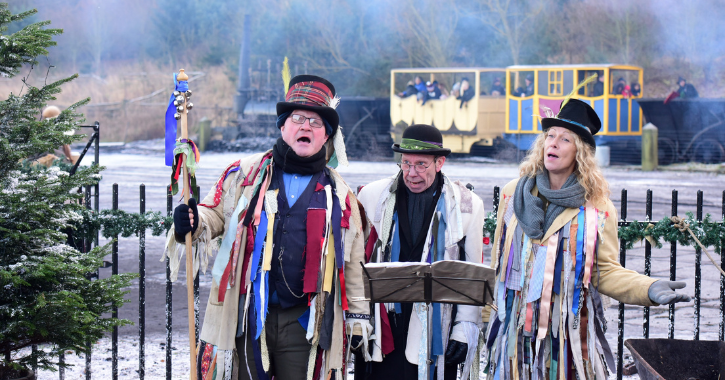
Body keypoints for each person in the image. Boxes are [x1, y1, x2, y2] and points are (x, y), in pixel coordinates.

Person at [168, 75, 371, 380]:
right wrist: (194, 221)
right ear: (282, 126)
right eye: (298, 118)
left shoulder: (340, 196)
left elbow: (352, 264)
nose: (306, 126)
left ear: (326, 135)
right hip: (248, 316)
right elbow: (213, 214)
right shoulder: (246, 175)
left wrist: (357, 318)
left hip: (305, 325)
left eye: (316, 122)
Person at [485, 91, 691, 380]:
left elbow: (603, 271)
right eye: (550, 136)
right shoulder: (512, 193)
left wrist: (648, 288)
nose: (553, 143)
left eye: (564, 139)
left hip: (567, 340)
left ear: (579, 152)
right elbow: (499, 264)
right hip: (515, 338)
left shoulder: (598, 207)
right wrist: (486, 318)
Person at [355, 124, 485, 380]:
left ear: (440, 163)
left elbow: (472, 272)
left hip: (436, 329)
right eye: (405, 163)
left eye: (421, 165)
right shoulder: (372, 196)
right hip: (382, 327)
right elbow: (356, 263)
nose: (411, 173)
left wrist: (463, 328)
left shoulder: (468, 205)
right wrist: (357, 319)